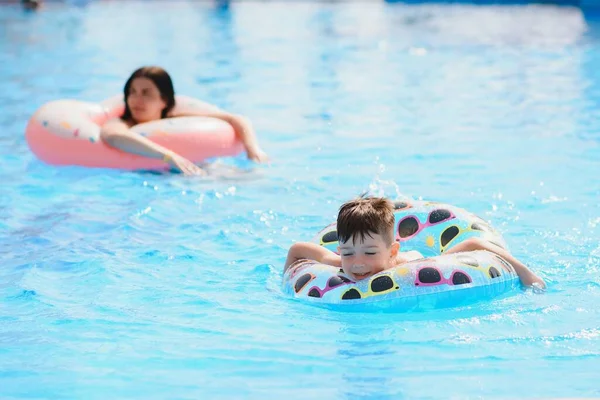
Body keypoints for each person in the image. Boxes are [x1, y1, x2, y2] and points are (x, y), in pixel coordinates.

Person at [284, 196, 546, 288]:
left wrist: (525, 274)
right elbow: (297, 249)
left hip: (416, 261)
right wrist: (286, 279)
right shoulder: (339, 263)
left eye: (370, 252)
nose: (358, 263)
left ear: (392, 250)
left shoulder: (413, 268)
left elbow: (474, 243)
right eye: (349, 253)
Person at [100, 66, 268, 176]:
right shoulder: (123, 123)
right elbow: (113, 136)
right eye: (132, 92)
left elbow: (236, 118)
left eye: (146, 93)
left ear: (164, 101)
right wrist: (170, 156)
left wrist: (253, 149)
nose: (136, 99)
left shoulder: (176, 120)